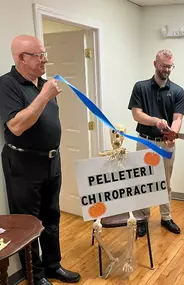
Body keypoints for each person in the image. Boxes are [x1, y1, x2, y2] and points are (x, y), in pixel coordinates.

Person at [0, 35, 80, 285]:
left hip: (51, 162)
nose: (45, 60)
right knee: (29, 222)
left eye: (44, 54)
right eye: (39, 55)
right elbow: (16, 126)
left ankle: (53, 265)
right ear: (22, 58)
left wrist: (45, 92)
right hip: (23, 165)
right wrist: (45, 95)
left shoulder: (43, 84)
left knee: (52, 216)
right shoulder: (7, 85)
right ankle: (36, 275)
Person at [128, 49, 184, 237]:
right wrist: (156, 121)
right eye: (163, 66)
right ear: (155, 64)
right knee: (143, 181)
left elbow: (177, 117)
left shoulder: (178, 91)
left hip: (165, 144)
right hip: (145, 142)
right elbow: (137, 114)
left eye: (170, 66)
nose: (167, 70)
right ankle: (141, 219)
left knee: (165, 182)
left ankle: (166, 217)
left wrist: (173, 133)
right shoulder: (140, 87)